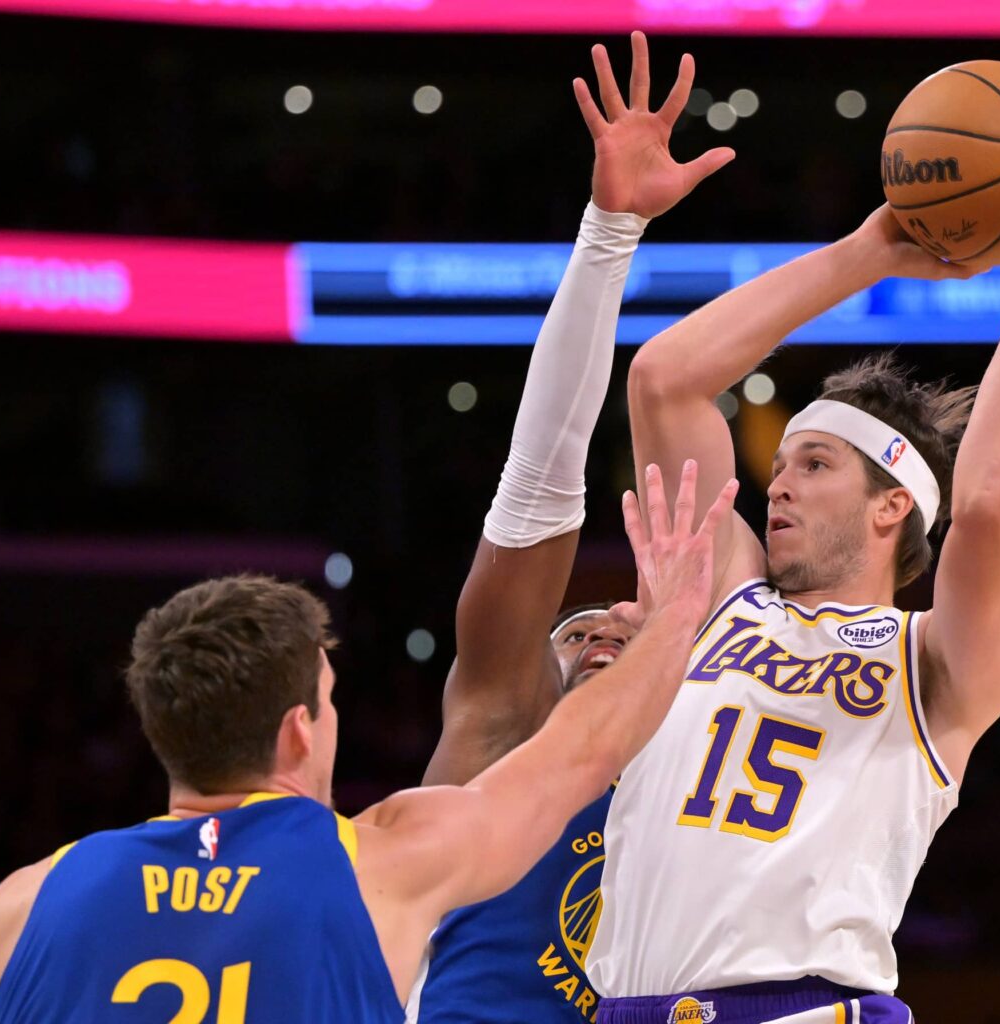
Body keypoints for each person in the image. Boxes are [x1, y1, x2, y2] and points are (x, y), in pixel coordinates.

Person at [587, 106, 1000, 1023]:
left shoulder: (937, 663)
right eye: (782, 464)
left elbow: (990, 510)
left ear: (892, 504)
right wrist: (869, 251)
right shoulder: (716, 598)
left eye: (816, 465)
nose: (779, 486)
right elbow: (663, 381)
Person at [0, 457, 738, 1023]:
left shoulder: (20, 905)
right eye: (330, 696)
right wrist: (676, 616)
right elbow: (581, 751)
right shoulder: (376, 867)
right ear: (299, 729)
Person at [408, 31, 731, 1024]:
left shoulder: (713, 785)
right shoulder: (502, 739)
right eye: (578, 631)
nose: (598, 632)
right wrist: (609, 234)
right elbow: (538, 488)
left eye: (623, 630)